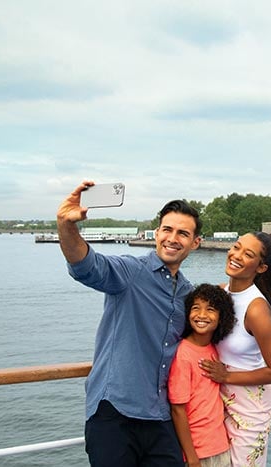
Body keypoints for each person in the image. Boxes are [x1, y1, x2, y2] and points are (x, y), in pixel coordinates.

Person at [56, 180, 202, 467]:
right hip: (115, 413)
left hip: (160, 414)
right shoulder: (130, 272)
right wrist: (66, 225)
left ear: (195, 243)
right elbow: (86, 266)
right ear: (157, 232)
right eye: (168, 230)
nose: (173, 238)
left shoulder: (187, 293)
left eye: (183, 233)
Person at [199, 232, 271, 467]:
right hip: (217, 400)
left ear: (261, 268)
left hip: (251, 407)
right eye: (236, 247)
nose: (236, 255)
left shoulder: (256, 309)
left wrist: (227, 375)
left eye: (247, 254)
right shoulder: (221, 294)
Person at [169, 284, 237, 467]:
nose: (201, 315)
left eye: (210, 309)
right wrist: (192, 458)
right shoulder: (183, 354)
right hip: (198, 452)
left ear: (222, 317)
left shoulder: (214, 349)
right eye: (196, 308)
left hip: (221, 445)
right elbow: (178, 410)